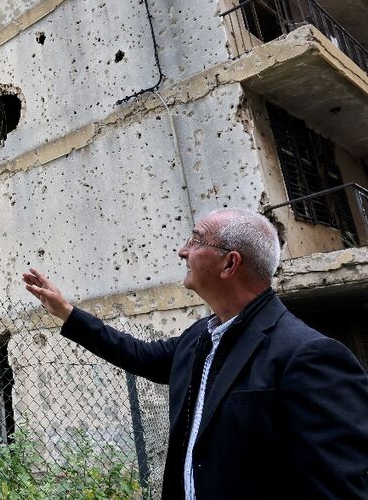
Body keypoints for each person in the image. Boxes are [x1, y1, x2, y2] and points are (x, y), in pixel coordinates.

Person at [23, 208, 368, 500]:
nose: (182, 251)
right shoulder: (199, 337)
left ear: (229, 264)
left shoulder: (309, 355)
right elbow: (138, 355)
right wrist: (67, 312)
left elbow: (339, 489)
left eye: (196, 240)